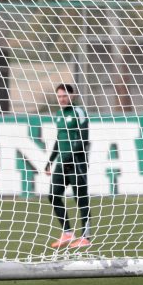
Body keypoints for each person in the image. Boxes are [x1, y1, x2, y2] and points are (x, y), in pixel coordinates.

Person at [44, 84, 92, 249]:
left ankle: (85, 237)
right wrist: (50, 160)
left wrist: (68, 157)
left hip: (77, 163)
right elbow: (59, 139)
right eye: (59, 96)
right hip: (62, 163)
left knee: (81, 199)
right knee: (53, 195)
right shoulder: (58, 114)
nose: (62, 99)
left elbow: (83, 141)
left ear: (72, 96)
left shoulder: (79, 112)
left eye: (64, 96)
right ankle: (67, 233)